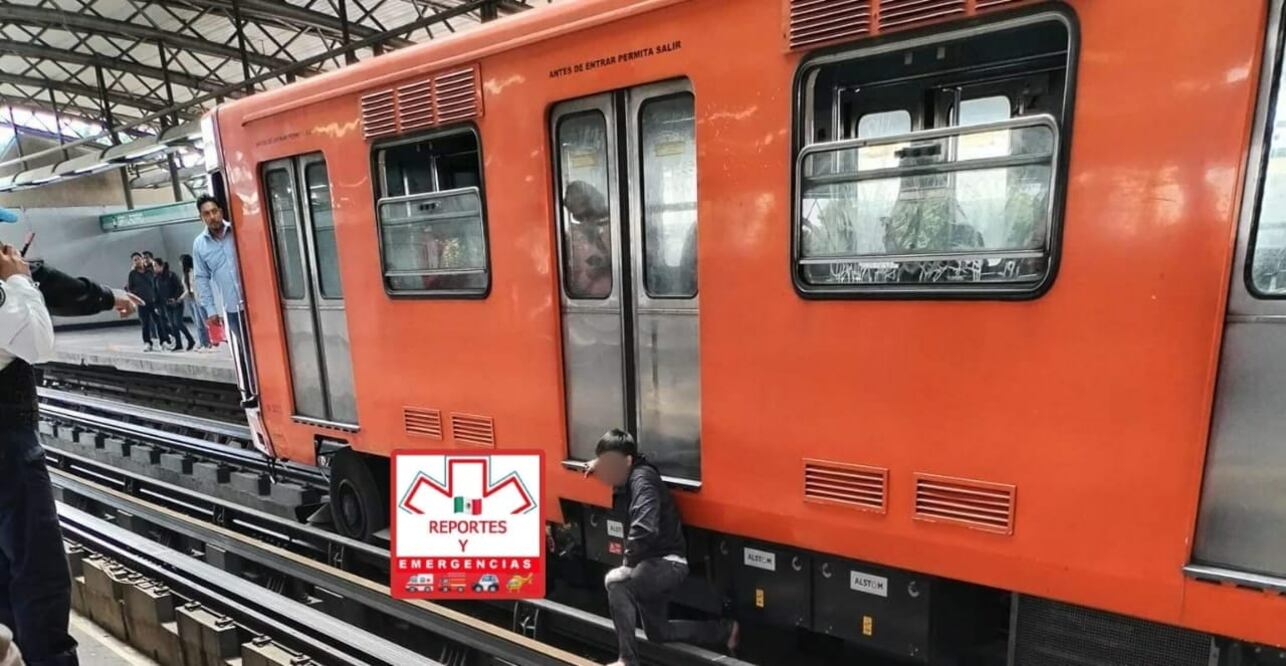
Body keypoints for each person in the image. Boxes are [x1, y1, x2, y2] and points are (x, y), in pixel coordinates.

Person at [1, 207, 142, 666]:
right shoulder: (7, 292)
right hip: (7, 443)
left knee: (7, 565)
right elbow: (37, 343)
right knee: (37, 567)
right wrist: (18, 282)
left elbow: (51, 281)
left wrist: (106, 296)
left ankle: (15, 646)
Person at [584, 429, 738, 666]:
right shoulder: (632, 471)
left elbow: (645, 528)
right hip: (653, 563)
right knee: (658, 633)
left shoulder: (642, 481)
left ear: (627, 461)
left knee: (618, 586)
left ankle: (627, 660)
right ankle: (725, 631)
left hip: (667, 563)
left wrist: (627, 566)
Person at [192, 195, 253, 396]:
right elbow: (201, 278)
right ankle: (256, 392)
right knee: (247, 353)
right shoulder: (200, 245)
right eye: (206, 214)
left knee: (264, 349)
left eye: (214, 211)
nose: (212, 217)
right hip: (233, 308)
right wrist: (210, 310)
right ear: (201, 217)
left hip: (257, 304)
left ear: (221, 211)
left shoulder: (238, 231)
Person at [126, 252, 166, 352]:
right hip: (141, 302)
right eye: (134, 260)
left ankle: (163, 342)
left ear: (142, 259)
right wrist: (136, 298)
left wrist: (157, 298)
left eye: (138, 259)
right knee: (145, 324)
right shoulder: (132, 274)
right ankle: (147, 343)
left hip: (153, 301)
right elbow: (130, 289)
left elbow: (155, 285)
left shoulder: (149, 272)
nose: (137, 261)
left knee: (159, 322)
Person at [155, 259, 194, 352]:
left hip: (176, 303)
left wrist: (176, 298)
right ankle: (178, 344)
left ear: (161, 266)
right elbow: (156, 292)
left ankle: (190, 339)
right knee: (172, 325)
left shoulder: (171, 275)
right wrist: (157, 305)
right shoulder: (156, 278)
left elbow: (179, 288)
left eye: (156, 265)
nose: (154, 268)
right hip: (166, 304)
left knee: (178, 322)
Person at [179, 254, 211, 351]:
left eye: (181, 262)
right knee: (198, 323)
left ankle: (207, 342)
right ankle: (204, 342)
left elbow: (195, 287)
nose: (180, 264)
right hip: (192, 299)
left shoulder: (194, 272)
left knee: (203, 322)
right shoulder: (186, 274)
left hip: (199, 299)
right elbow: (187, 289)